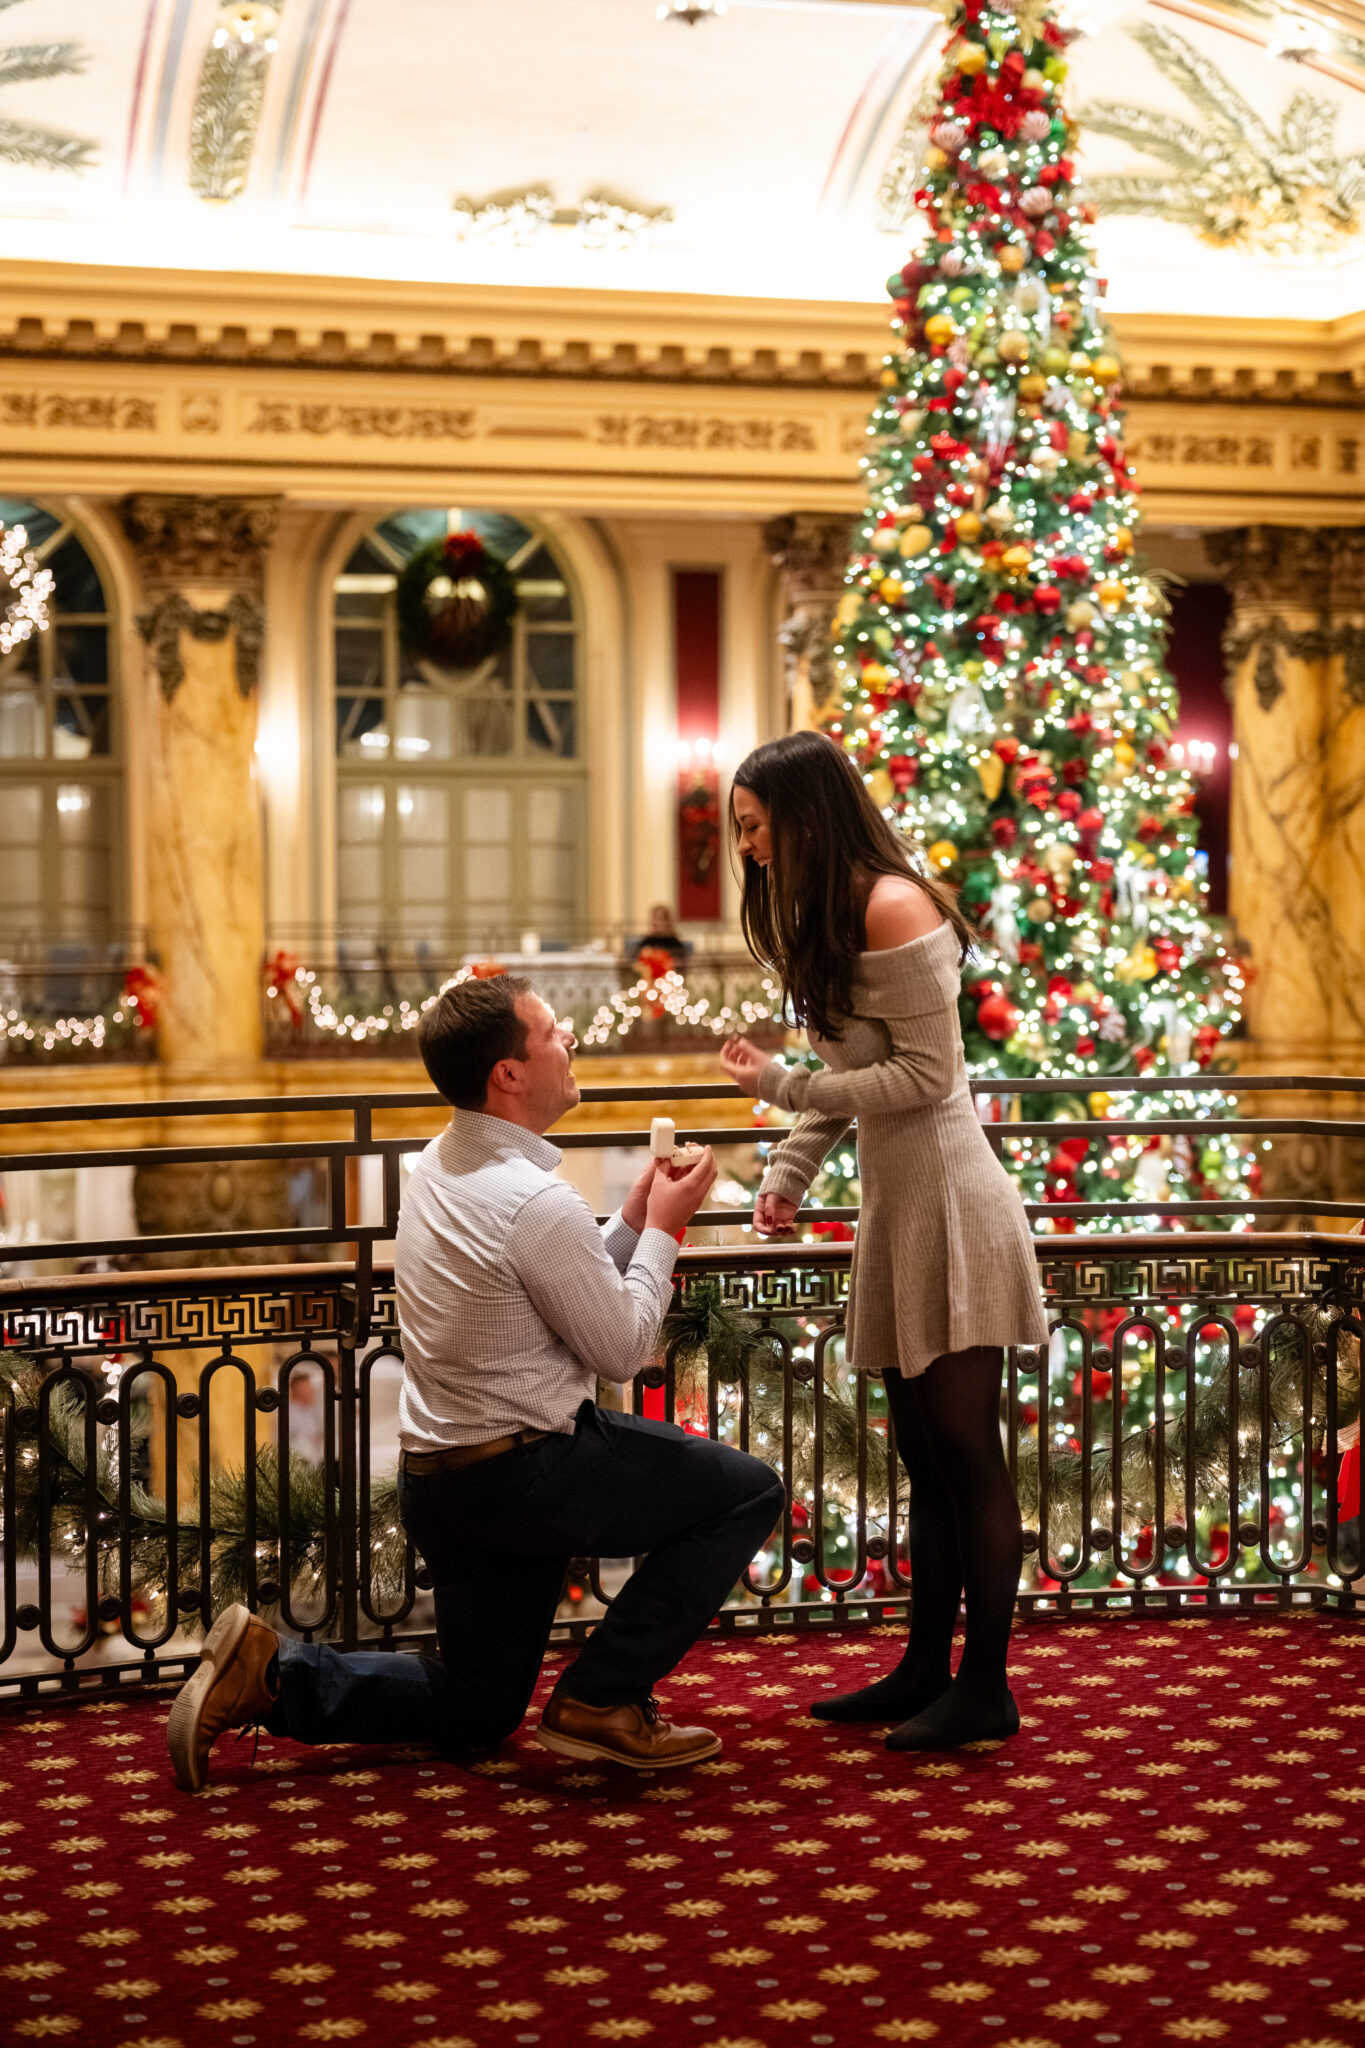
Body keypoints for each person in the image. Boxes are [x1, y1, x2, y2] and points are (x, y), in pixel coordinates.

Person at [168, 975, 783, 1791]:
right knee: (746, 1493)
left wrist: (630, 1223)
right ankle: (604, 1698)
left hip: (445, 1481)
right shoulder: (534, 1200)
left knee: (476, 1707)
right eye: (555, 1034)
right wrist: (666, 1233)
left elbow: (544, 1283)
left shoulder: (436, 1166)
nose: (571, 1044)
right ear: (509, 1074)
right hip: (532, 1476)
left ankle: (271, 1675)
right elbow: (622, 1348)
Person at [718, 731, 1048, 1751]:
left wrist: (779, 1083)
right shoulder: (827, 911)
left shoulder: (894, 903)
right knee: (920, 1450)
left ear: (805, 813)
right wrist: (784, 1175)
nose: (749, 847)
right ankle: (921, 1668)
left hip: (951, 1202)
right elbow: (851, 1073)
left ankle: (985, 1685)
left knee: (965, 1451)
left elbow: (925, 1080)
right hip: (900, 1211)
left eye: (755, 825)